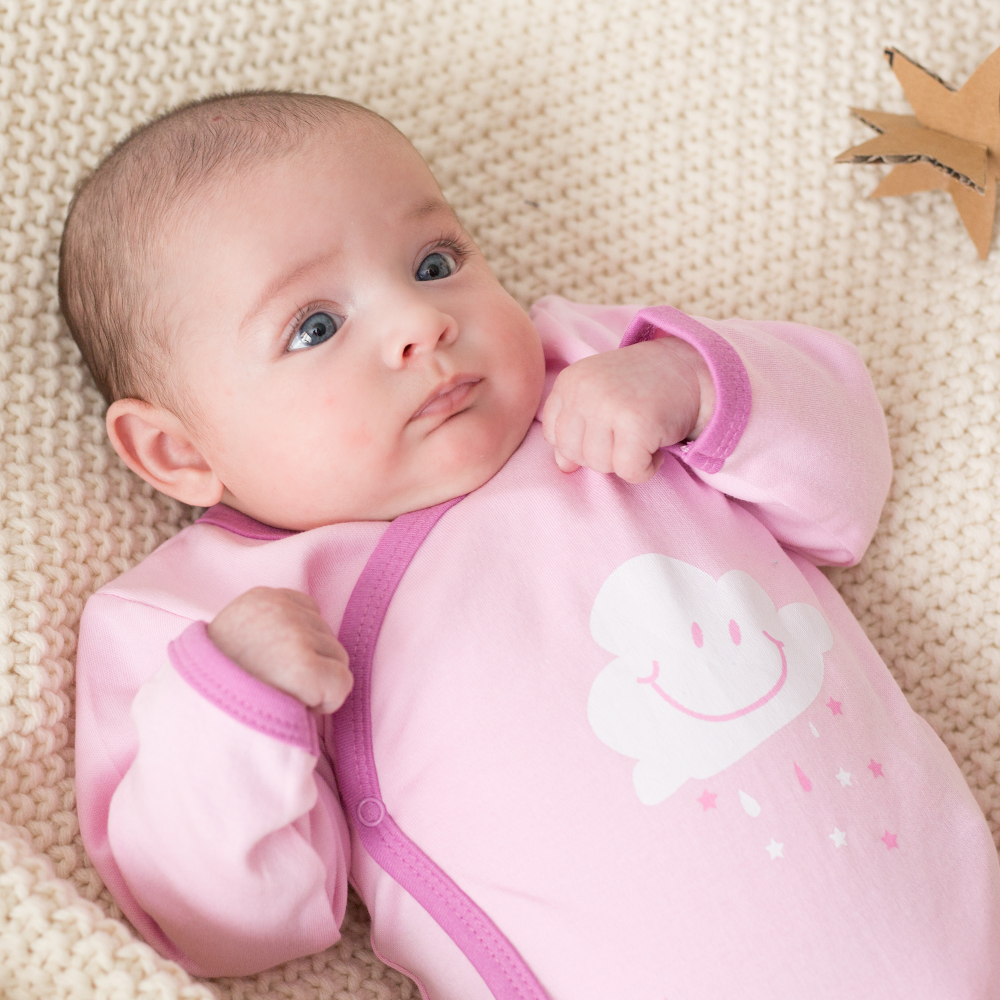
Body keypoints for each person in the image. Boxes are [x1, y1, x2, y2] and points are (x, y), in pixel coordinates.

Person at [61, 91, 1000, 999]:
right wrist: (236, 703)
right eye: (315, 326)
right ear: (176, 451)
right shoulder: (201, 617)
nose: (420, 322)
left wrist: (690, 381)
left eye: (434, 263)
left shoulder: (593, 368)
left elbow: (846, 482)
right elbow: (222, 929)